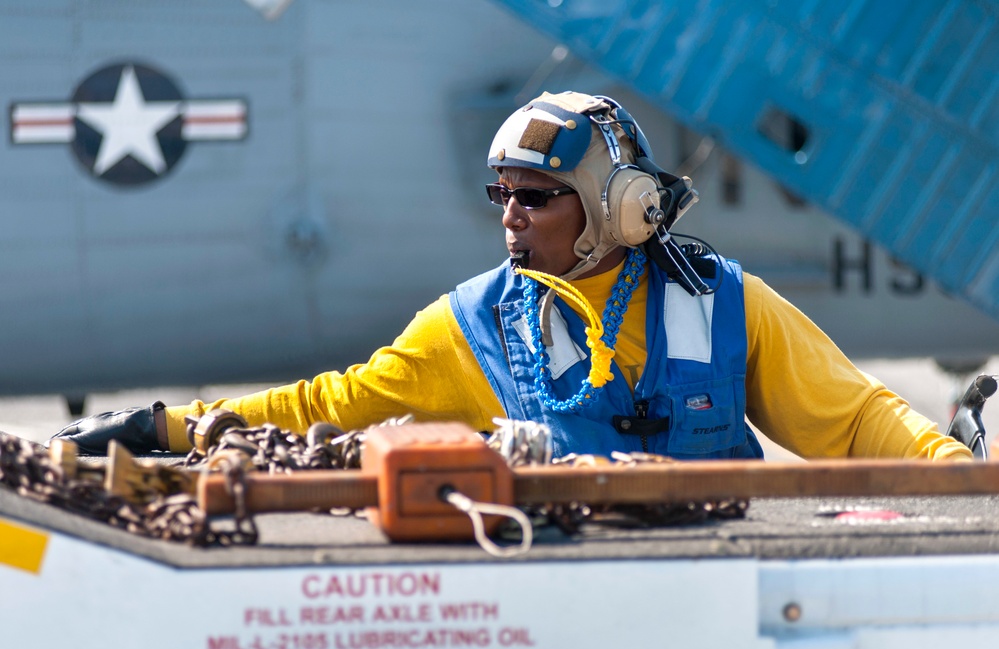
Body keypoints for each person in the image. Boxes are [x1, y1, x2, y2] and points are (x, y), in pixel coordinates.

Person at [52, 91, 971, 461]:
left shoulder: (720, 301)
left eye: (535, 194)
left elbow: (851, 418)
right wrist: (165, 427)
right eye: (500, 192)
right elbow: (330, 404)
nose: (509, 213)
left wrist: (957, 464)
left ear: (618, 208)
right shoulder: (472, 326)